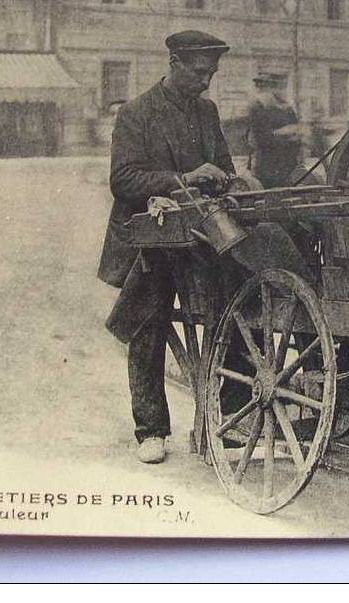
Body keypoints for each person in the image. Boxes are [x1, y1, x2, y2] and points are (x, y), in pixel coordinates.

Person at [97, 30, 237, 465]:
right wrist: (184, 179)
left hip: (200, 234)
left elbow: (226, 167)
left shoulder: (207, 111)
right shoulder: (137, 113)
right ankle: (151, 430)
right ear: (174, 63)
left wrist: (225, 179)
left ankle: (226, 418)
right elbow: (123, 180)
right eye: (199, 72)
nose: (206, 82)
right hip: (151, 238)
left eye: (211, 73)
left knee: (233, 310)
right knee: (148, 323)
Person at [245, 72, 303, 188]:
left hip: (287, 163)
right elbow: (262, 139)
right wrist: (285, 133)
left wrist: (286, 134)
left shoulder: (287, 109)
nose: (261, 91)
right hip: (265, 164)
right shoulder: (257, 107)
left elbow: (297, 133)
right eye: (259, 87)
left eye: (265, 87)